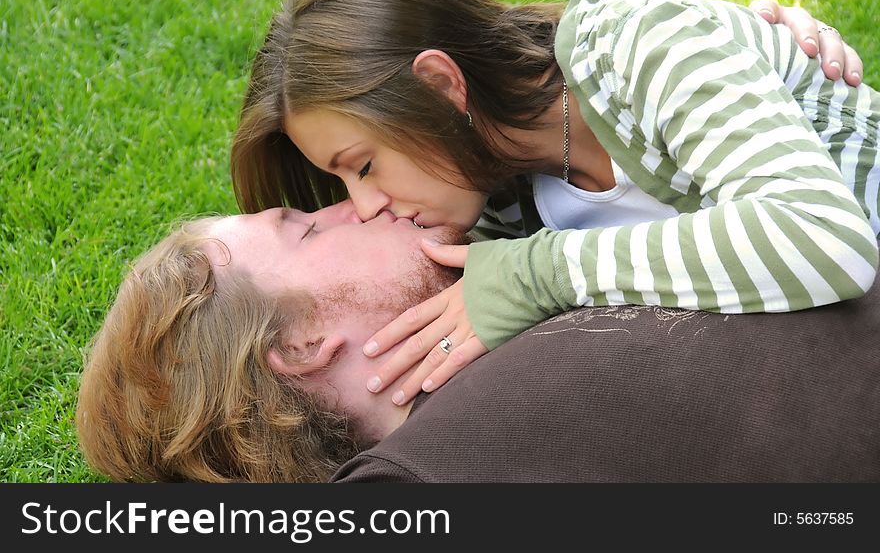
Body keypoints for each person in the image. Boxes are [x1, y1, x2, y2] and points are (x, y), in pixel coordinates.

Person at [230, 0, 880, 406]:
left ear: (438, 85)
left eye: (364, 166)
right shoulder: (502, 204)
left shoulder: (639, 47)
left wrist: (542, 274)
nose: (365, 206)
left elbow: (825, 242)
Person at [75, 203, 880, 482]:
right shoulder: (416, 482)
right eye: (309, 226)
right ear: (302, 346)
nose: (359, 204)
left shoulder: (519, 272)